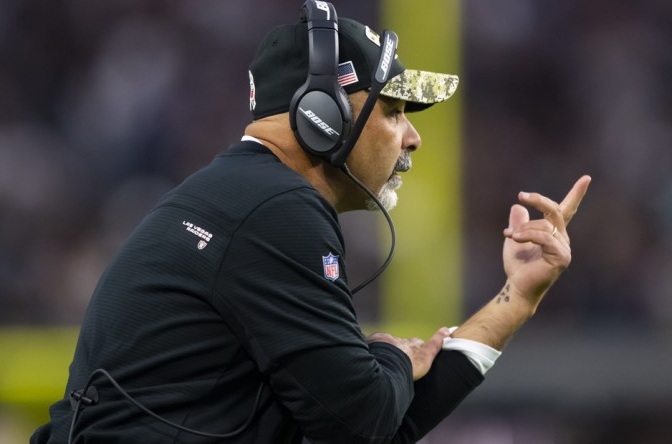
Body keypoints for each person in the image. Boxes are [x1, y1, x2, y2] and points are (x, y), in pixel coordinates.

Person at [32, 2, 591, 443]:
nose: (412, 137)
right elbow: (365, 421)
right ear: (319, 114)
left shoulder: (241, 195)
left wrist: (514, 300)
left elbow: (371, 426)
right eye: (393, 111)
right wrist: (393, 359)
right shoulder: (277, 210)